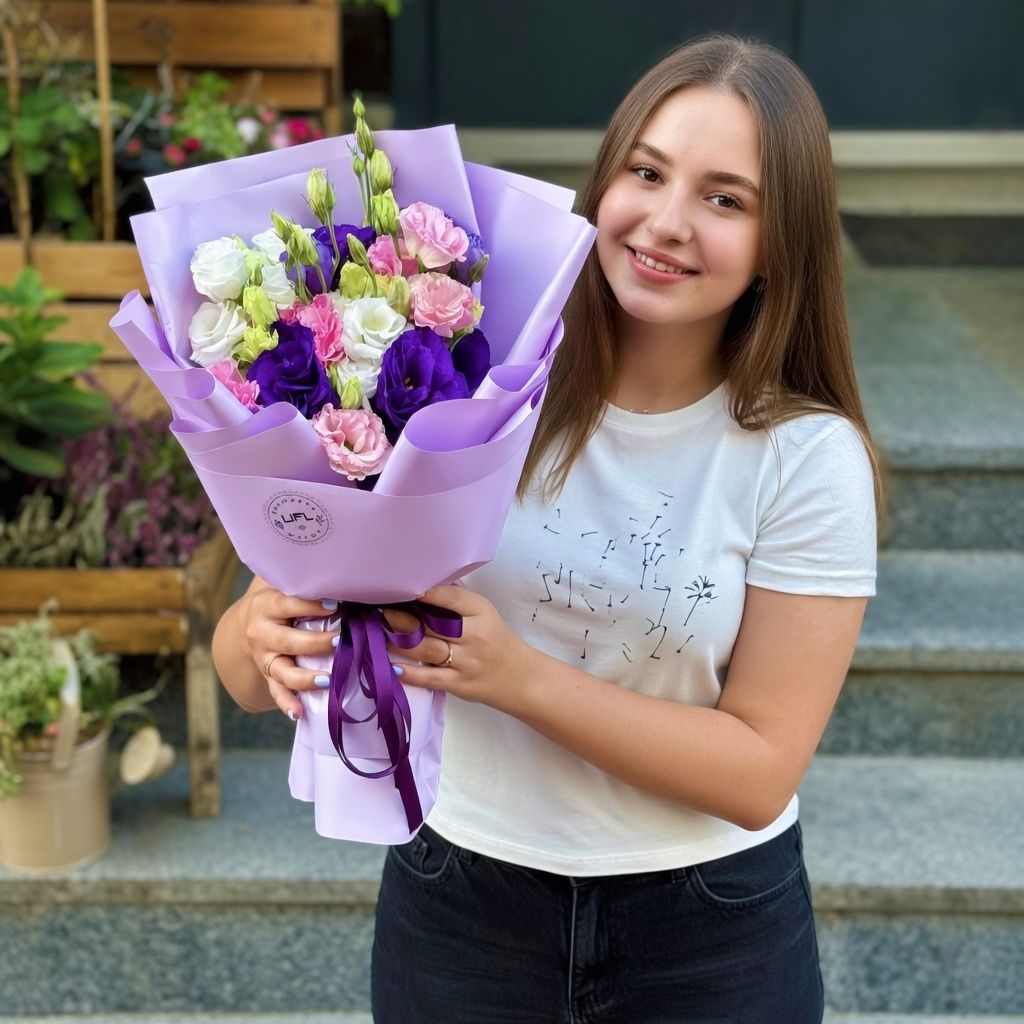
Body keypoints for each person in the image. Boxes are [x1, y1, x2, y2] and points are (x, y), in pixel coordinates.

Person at [212, 33, 879, 1024]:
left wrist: (518, 677)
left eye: (725, 199)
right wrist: (255, 633)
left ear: (781, 244)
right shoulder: (464, 378)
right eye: (646, 173)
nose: (666, 221)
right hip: (459, 907)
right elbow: (244, 668)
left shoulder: (805, 456)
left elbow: (758, 769)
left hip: (708, 935)